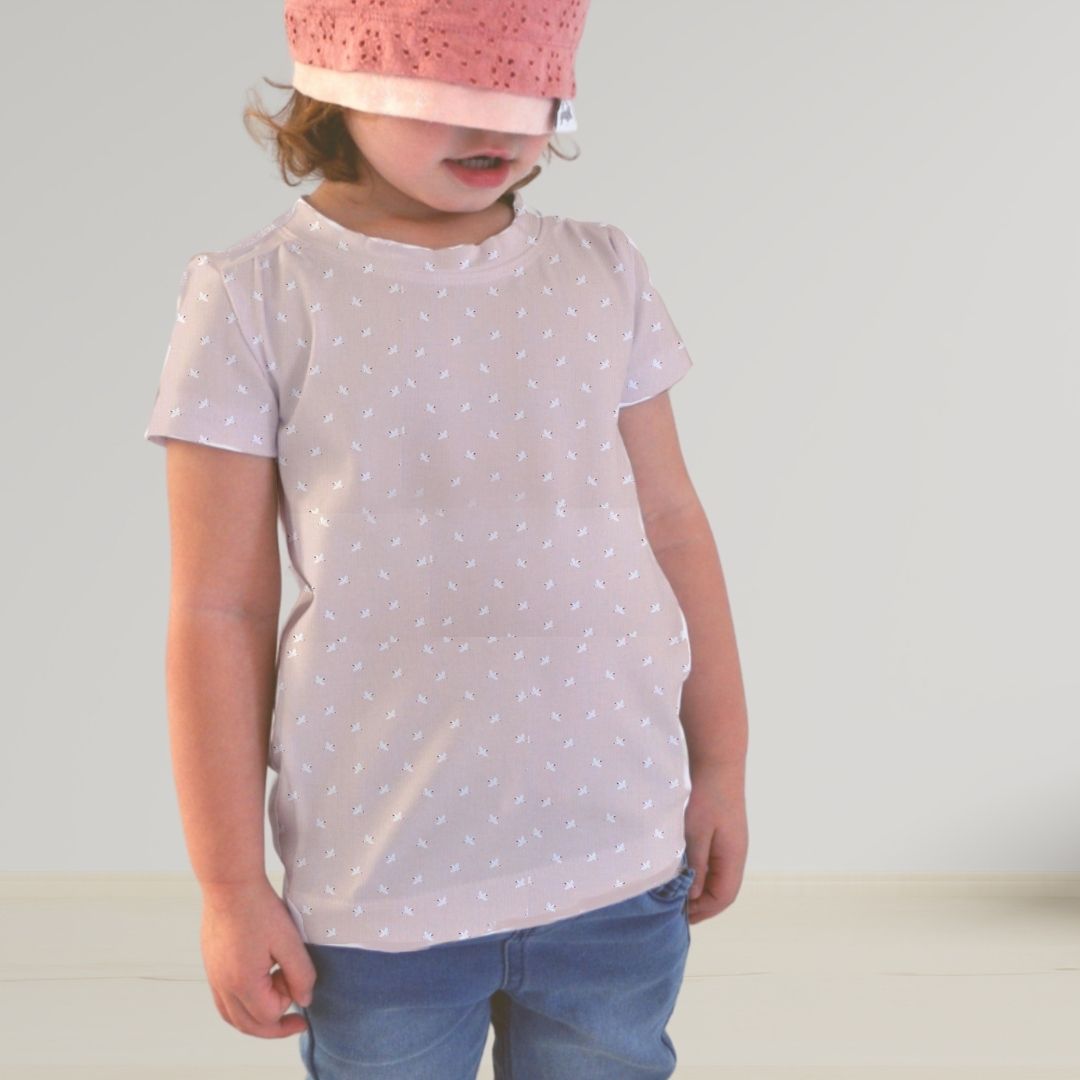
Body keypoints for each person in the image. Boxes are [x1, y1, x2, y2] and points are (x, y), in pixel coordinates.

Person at [143, 0, 749, 1075]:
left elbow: (674, 529)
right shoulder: (256, 296)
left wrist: (723, 766)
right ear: (342, 79)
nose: (499, 127)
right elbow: (218, 609)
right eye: (455, 91)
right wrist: (230, 886)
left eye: (527, 93)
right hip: (382, 880)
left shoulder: (601, 271)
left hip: (615, 856)